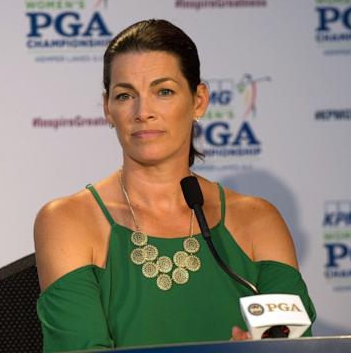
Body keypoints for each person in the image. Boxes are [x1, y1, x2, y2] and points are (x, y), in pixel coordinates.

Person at [34, 19, 316, 352]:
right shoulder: (68, 220)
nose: (143, 112)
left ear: (199, 100)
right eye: (125, 95)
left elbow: (295, 346)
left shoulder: (259, 221)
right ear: (108, 108)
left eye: (163, 91)